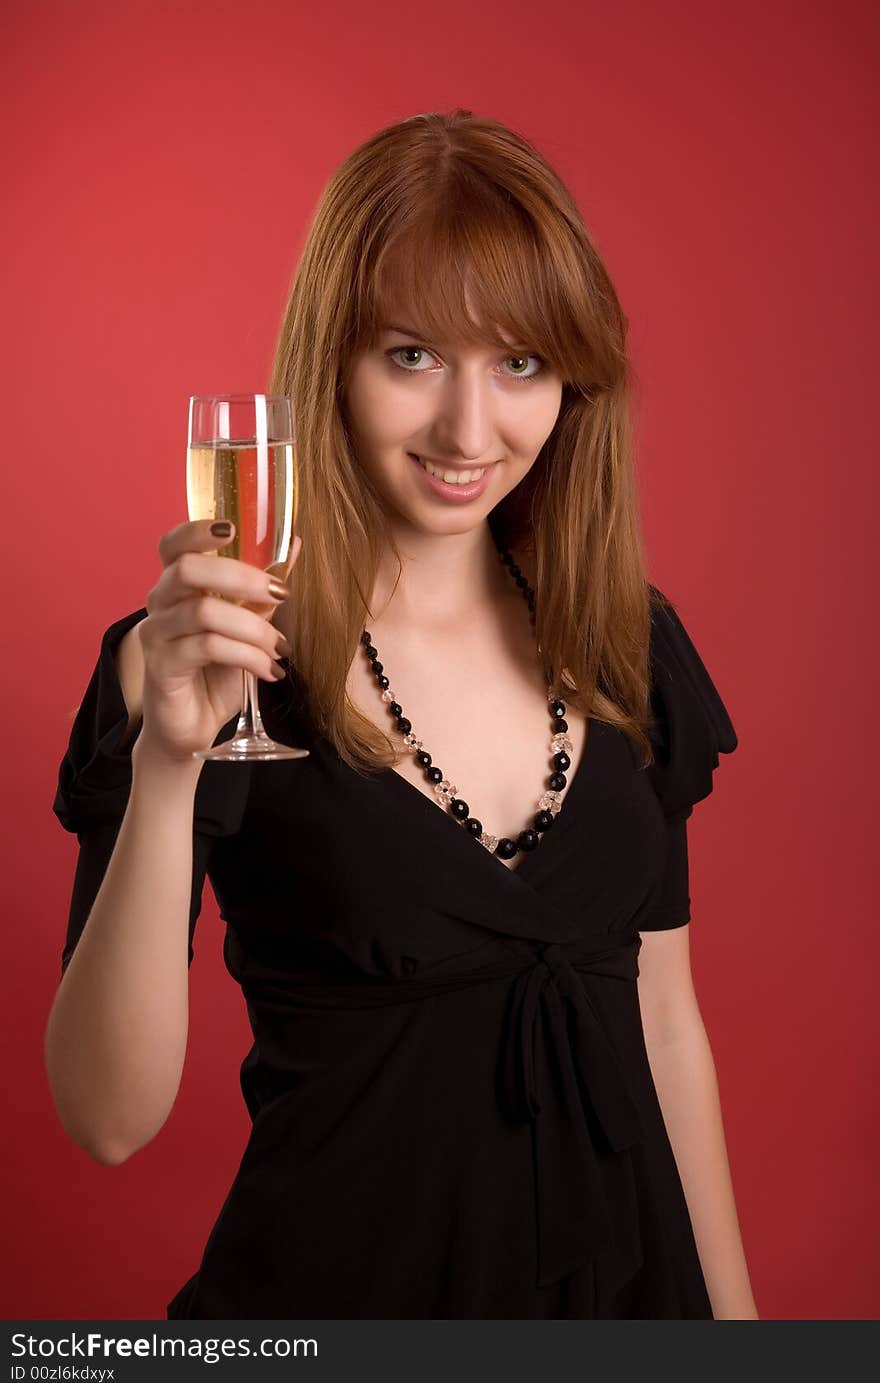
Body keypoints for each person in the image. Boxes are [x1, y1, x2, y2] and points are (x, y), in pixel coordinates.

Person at [45, 110, 756, 1319]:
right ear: (332, 359)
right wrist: (171, 760)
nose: (469, 434)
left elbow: (665, 1027)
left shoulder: (627, 643)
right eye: (414, 356)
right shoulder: (200, 662)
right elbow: (108, 1120)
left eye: (520, 362)